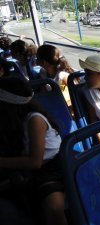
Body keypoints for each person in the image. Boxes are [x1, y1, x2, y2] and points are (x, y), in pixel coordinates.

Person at [0, 77, 68, 225]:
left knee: (54, 207)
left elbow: (35, 161)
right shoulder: (16, 121)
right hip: (35, 170)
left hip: (53, 167)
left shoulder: (35, 120)